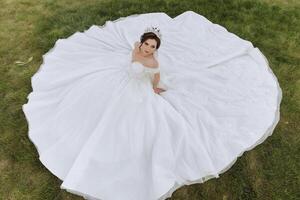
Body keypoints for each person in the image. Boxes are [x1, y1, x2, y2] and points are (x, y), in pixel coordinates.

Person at [22, 11, 282, 200]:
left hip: (138, 91)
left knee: (128, 126)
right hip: (117, 78)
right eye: (146, 44)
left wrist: (157, 88)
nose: (147, 49)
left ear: (156, 49)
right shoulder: (136, 48)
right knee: (86, 101)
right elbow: (133, 54)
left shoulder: (153, 64)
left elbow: (155, 78)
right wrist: (136, 54)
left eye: (152, 46)